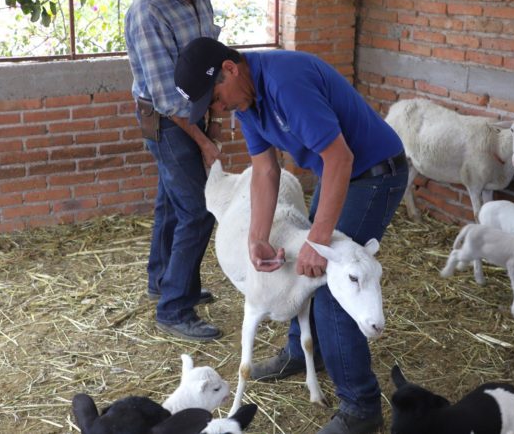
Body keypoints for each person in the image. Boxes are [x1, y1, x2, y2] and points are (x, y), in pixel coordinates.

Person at [174, 37, 409, 434]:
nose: (218, 109)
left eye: (214, 98)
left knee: (331, 281)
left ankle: (360, 408)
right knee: (304, 268)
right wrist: (257, 237)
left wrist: (319, 242)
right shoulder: (246, 101)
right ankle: (302, 354)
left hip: (372, 174)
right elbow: (265, 170)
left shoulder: (284, 83)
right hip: (340, 174)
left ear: (230, 70)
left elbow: (340, 157)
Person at [123, 0, 223, 341]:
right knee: (196, 212)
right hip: (166, 121)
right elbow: (166, 95)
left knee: (171, 203)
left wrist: (210, 119)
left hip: (193, 115)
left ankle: (163, 281)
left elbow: (211, 62)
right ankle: (175, 308)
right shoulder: (148, 12)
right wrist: (203, 140)